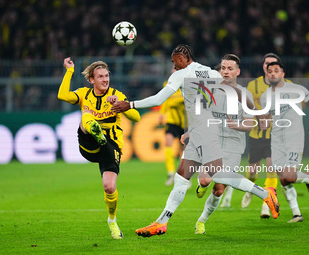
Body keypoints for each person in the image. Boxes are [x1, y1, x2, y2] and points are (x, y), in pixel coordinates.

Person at [111, 44, 280, 237]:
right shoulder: (211, 74)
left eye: (175, 62)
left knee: (218, 177)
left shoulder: (181, 75)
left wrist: (129, 104)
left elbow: (159, 100)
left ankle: (265, 194)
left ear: (183, 58)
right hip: (202, 130)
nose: (173, 67)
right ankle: (161, 222)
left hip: (210, 134)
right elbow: (232, 95)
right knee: (182, 176)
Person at [57, 57, 140, 239]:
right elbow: (62, 96)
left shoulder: (116, 95)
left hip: (111, 145)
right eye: (100, 76)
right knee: (86, 117)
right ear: (91, 80)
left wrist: (120, 106)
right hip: (88, 143)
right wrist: (69, 71)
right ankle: (96, 132)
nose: (105, 79)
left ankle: (112, 221)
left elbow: (136, 117)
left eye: (107, 76)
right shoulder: (84, 94)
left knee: (109, 187)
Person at [192, 54, 255, 234]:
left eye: (229, 69)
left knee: (219, 189)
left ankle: (201, 221)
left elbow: (250, 124)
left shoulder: (245, 95)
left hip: (233, 147)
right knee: (205, 180)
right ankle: (202, 185)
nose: (225, 72)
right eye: (223, 68)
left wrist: (238, 125)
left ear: (237, 72)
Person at [261, 61, 309, 223]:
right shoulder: (265, 96)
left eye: (276, 71)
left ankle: (307, 178)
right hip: (276, 141)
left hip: (294, 138)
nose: (273, 74)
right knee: (283, 179)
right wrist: (263, 121)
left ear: (282, 74)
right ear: (266, 76)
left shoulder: (295, 89)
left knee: (289, 175)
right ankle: (297, 214)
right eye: (270, 72)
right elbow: (266, 117)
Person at [241, 53, 291, 218]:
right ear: (263, 67)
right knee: (253, 172)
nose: (270, 67)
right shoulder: (253, 85)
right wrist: (260, 116)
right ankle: (250, 189)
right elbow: (247, 106)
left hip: (276, 135)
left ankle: (265, 204)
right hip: (256, 134)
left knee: (271, 168)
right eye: (267, 64)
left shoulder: (287, 85)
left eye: (273, 64)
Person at [158, 69, 186, 186]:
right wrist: (161, 113)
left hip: (185, 122)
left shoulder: (187, 84)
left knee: (183, 149)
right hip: (171, 120)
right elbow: (166, 100)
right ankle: (170, 172)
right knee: (168, 142)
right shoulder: (167, 84)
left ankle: (183, 175)